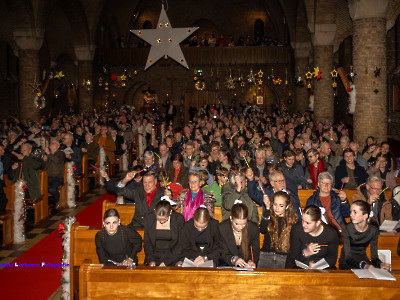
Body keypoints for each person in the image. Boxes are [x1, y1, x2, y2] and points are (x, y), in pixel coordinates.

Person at [339, 200, 390, 270]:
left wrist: (380, 264)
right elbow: (348, 258)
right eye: (351, 211)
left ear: (365, 216)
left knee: (378, 272)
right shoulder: (347, 228)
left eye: (355, 212)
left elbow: (374, 257)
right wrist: (364, 266)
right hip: (347, 262)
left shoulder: (373, 230)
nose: (351, 215)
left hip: (362, 259)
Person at [258, 191, 298, 268]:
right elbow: (262, 230)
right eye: (275, 204)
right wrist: (267, 208)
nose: (277, 208)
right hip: (266, 255)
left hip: (284, 257)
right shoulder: (269, 216)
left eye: (281, 205)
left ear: (287, 206)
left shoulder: (292, 221)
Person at [143, 200, 185, 266]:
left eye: (165, 219)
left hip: (173, 257)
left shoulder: (178, 219)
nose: (162, 222)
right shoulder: (149, 219)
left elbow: (179, 245)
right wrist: (151, 260)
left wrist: (166, 262)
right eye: (159, 219)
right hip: (154, 256)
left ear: (170, 212)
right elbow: (147, 243)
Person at [218, 203, 260, 267]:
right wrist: (234, 259)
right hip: (226, 264)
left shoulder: (253, 228)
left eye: (244, 224)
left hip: (245, 265)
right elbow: (222, 252)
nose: (240, 227)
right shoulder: (222, 228)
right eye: (237, 224)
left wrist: (251, 261)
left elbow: (255, 251)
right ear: (231, 218)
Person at [43, 139, 65, 208]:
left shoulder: (61, 153)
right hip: (48, 177)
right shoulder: (48, 155)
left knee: (52, 189)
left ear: (58, 146)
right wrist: (44, 160)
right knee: (38, 187)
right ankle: (42, 205)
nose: (51, 144)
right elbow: (43, 167)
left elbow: (56, 161)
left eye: (54, 143)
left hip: (58, 177)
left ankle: (59, 200)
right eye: (51, 143)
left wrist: (49, 154)